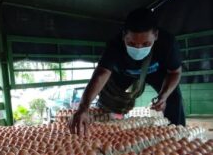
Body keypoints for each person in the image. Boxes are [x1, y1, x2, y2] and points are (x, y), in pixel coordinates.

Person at [69, 8, 185, 136]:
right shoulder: (115, 44)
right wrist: (83, 107)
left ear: (156, 35)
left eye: (146, 43)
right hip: (124, 71)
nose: (138, 48)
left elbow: (175, 72)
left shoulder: (167, 43)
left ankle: (177, 135)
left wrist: (164, 96)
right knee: (107, 101)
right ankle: (103, 132)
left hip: (156, 72)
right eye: (131, 43)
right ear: (124, 35)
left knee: (174, 98)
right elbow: (102, 73)